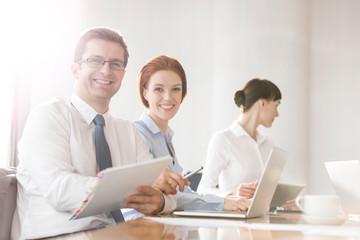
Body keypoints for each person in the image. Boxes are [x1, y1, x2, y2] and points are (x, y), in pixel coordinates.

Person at [14, 28, 186, 240]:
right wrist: (130, 188)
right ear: (75, 69)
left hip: (113, 233)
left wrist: (159, 201)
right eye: (95, 61)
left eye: (115, 64)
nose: (106, 71)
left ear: (122, 75)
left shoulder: (128, 131)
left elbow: (166, 194)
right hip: (56, 235)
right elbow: (60, 190)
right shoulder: (48, 117)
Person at [134, 55, 251, 212]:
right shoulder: (136, 134)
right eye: (158, 89)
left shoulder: (166, 136)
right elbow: (168, 196)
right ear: (145, 92)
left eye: (176, 89)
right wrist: (223, 204)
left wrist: (230, 200)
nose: (168, 97)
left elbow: (181, 193)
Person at [197, 78, 281, 198]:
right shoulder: (223, 139)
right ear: (262, 103)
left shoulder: (268, 143)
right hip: (235, 214)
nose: (277, 114)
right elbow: (203, 190)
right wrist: (233, 195)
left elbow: (274, 188)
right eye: (276, 105)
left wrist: (288, 201)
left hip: (264, 215)